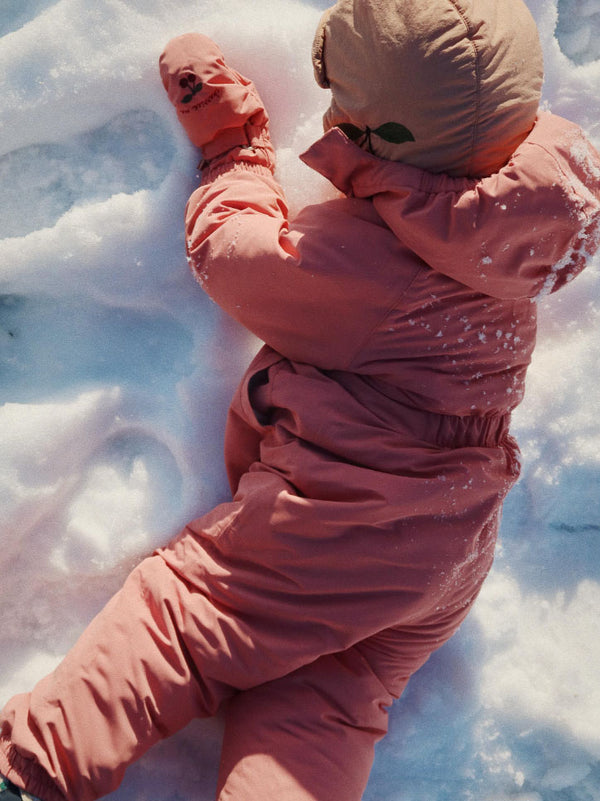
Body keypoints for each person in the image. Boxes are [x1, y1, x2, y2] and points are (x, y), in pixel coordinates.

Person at [2, 1, 600, 799]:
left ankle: (32, 769)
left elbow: (236, 261)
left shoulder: (375, 268)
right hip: (451, 544)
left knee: (185, 614)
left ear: (383, 137)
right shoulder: (520, 228)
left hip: (343, 530)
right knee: (325, 699)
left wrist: (233, 148)